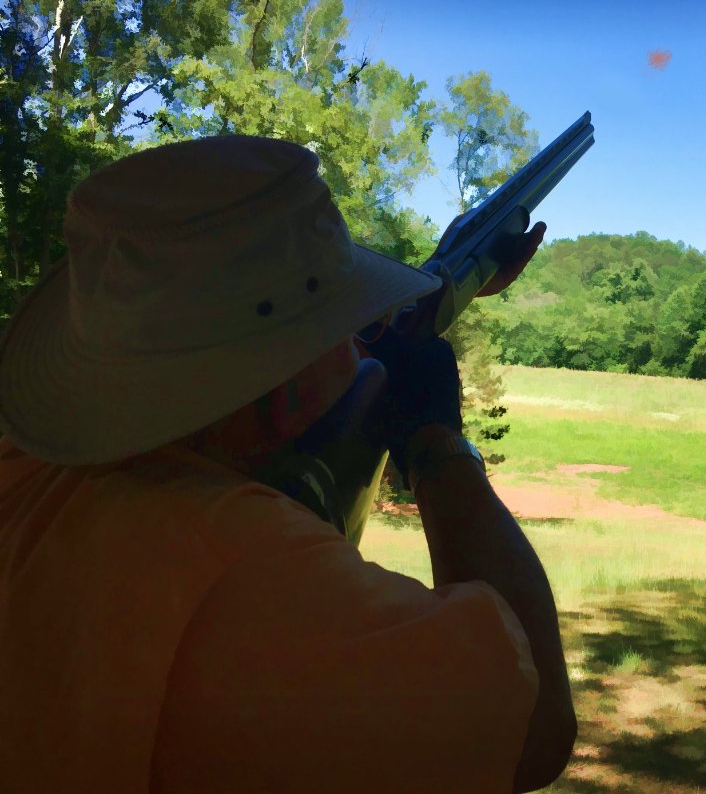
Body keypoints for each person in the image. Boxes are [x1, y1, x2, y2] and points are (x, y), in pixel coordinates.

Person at [0, 136, 576, 793]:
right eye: (346, 324)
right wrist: (440, 443)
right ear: (289, 396)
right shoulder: (262, 575)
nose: (362, 340)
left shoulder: (25, 471)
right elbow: (533, 730)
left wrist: (442, 293)